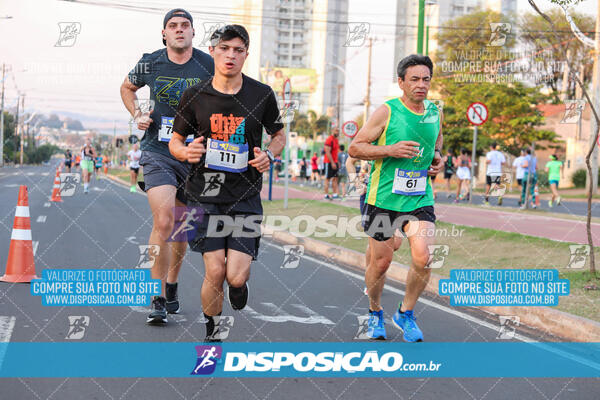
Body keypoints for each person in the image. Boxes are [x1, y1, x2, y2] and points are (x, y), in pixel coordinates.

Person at [168, 24, 285, 341]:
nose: (230, 55)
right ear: (213, 51)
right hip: (203, 195)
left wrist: (270, 156)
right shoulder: (195, 95)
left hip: (245, 197)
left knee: (234, 275)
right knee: (214, 270)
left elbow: (279, 136)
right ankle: (213, 331)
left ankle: (239, 286)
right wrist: (186, 151)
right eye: (224, 48)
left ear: (246, 54)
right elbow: (175, 142)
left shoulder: (261, 95)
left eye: (238, 50)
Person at [120, 8, 214, 323]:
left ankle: (172, 284)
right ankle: (157, 296)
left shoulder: (208, 64)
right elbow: (126, 87)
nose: (179, 30)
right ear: (164, 33)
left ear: (192, 32)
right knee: (163, 221)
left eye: (185, 25)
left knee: (181, 227)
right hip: (157, 151)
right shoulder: (151, 61)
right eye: (172, 26)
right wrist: (137, 114)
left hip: (194, 154)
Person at [349, 54, 444, 342]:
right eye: (414, 79)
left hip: (419, 197)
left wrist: (438, 159)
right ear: (401, 82)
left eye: (426, 79)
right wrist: (390, 149)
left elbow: (437, 143)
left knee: (424, 257)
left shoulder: (435, 112)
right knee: (380, 264)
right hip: (383, 200)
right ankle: (375, 312)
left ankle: (406, 312)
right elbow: (356, 148)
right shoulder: (386, 112)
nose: (421, 85)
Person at [484, 142, 506, 206]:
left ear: (491, 147)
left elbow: (489, 161)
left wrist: (486, 162)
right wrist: (498, 163)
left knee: (488, 186)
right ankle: (499, 196)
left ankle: (486, 200)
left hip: (490, 172)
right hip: (497, 172)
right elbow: (503, 162)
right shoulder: (500, 154)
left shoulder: (489, 153)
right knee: (497, 184)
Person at [323, 128, 340, 200]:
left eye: (338, 131)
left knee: (335, 178)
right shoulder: (329, 139)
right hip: (328, 162)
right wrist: (332, 162)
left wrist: (337, 162)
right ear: (332, 131)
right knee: (327, 179)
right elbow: (327, 152)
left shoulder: (336, 140)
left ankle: (335, 194)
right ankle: (326, 195)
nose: (338, 132)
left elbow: (336, 152)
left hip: (335, 162)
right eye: (336, 131)